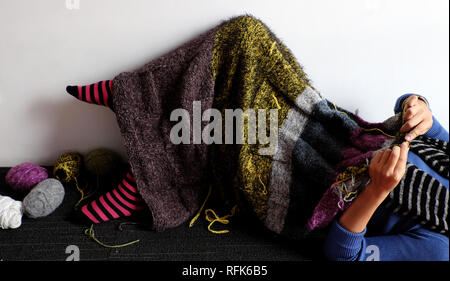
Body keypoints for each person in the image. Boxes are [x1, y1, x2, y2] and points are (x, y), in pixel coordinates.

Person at [323, 94, 449, 261]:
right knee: (276, 94)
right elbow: (407, 108)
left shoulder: (440, 250)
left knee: (274, 127)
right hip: (328, 127)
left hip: (308, 186)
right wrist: (418, 105)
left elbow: (344, 256)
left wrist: (376, 190)